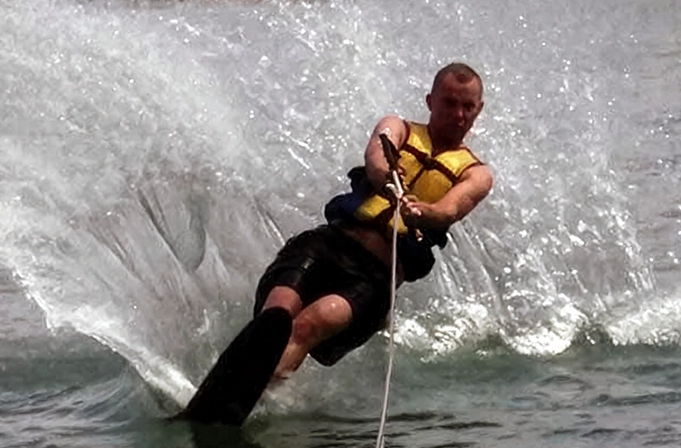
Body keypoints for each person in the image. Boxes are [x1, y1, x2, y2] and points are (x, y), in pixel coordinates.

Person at [180, 63, 494, 426]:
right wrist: (385, 177)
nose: (458, 114)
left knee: (312, 323)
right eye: (449, 103)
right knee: (279, 310)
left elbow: (450, 209)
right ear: (430, 101)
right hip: (329, 245)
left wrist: (425, 213)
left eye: (467, 107)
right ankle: (232, 384)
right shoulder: (398, 128)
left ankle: (249, 399)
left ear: (478, 109)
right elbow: (376, 155)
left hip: (373, 279)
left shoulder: (476, 173)